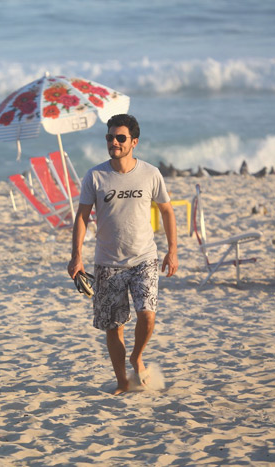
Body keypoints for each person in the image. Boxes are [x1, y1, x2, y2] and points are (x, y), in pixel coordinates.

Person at [67, 114, 178, 395]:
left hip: (144, 258)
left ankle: (136, 356)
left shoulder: (151, 173)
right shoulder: (95, 175)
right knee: (114, 326)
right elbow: (81, 216)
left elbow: (166, 210)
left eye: (120, 138)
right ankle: (121, 382)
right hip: (107, 262)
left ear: (134, 142)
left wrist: (173, 250)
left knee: (148, 316)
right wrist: (76, 255)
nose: (114, 142)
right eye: (109, 137)